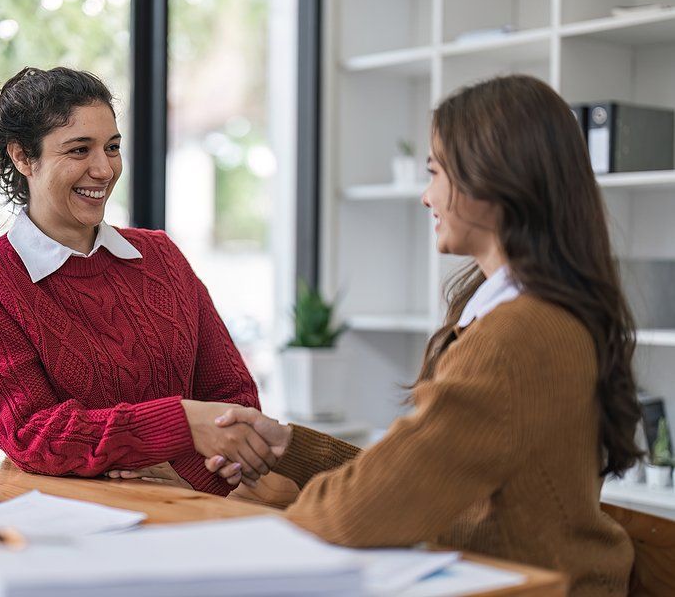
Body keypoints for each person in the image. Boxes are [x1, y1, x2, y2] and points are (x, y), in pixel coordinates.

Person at [206, 75, 641, 595]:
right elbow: (421, 476)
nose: (425, 195)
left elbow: (372, 507)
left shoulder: (518, 333)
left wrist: (272, 533)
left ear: (492, 178)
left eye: (435, 171)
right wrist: (292, 449)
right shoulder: (532, 313)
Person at [0, 66, 274, 496]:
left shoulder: (160, 255)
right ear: (24, 157)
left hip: (197, 512)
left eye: (112, 147)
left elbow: (235, 400)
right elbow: (34, 435)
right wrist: (183, 426)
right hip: (75, 528)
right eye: (79, 150)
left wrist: (179, 472)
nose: (104, 169)